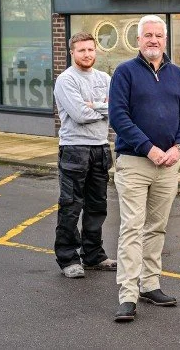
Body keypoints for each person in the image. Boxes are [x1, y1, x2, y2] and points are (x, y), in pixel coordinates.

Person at [109, 15, 180, 322]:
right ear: (138, 39)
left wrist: (178, 147)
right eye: (148, 35)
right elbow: (118, 117)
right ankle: (128, 294)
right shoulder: (125, 73)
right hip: (134, 162)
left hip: (169, 164)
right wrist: (149, 148)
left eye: (159, 35)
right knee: (132, 227)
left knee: (156, 227)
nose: (153, 40)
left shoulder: (176, 74)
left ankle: (150, 284)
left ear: (165, 40)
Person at [53, 32, 116, 278]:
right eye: (81, 50)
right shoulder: (66, 80)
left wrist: (94, 106)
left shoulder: (105, 78)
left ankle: (93, 255)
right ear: (72, 53)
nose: (87, 54)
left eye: (90, 49)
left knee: (97, 206)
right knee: (70, 206)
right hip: (74, 149)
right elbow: (79, 115)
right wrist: (102, 108)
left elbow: (118, 107)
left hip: (100, 148)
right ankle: (68, 258)